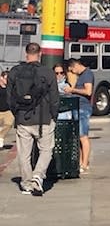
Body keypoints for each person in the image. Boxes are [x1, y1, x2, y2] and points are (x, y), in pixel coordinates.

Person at [6, 42, 59, 196]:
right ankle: (38, 175)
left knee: (24, 153)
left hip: (23, 118)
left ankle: (27, 183)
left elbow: (10, 98)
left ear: (25, 54)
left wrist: (17, 114)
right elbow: (55, 98)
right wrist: (53, 116)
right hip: (43, 118)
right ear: (40, 54)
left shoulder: (15, 72)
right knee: (46, 150)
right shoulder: (48, 73)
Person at [63, 57, 94, 173]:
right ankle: (81, 161)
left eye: (72, 70)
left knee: (83, 136)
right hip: (78, 107)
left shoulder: (87, 74)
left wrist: (72, 90)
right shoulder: (82, 76)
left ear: (75, 66)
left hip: (83, 108)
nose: (72, 73)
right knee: (79, 136)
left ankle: (85, 163)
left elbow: (88, 91)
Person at [0, 70, 13, 148]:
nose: (7, 81)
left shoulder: (10, 88)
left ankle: (1, 137)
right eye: (6, 78)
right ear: (1, 78)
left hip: (7, 110)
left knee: (9, 123)